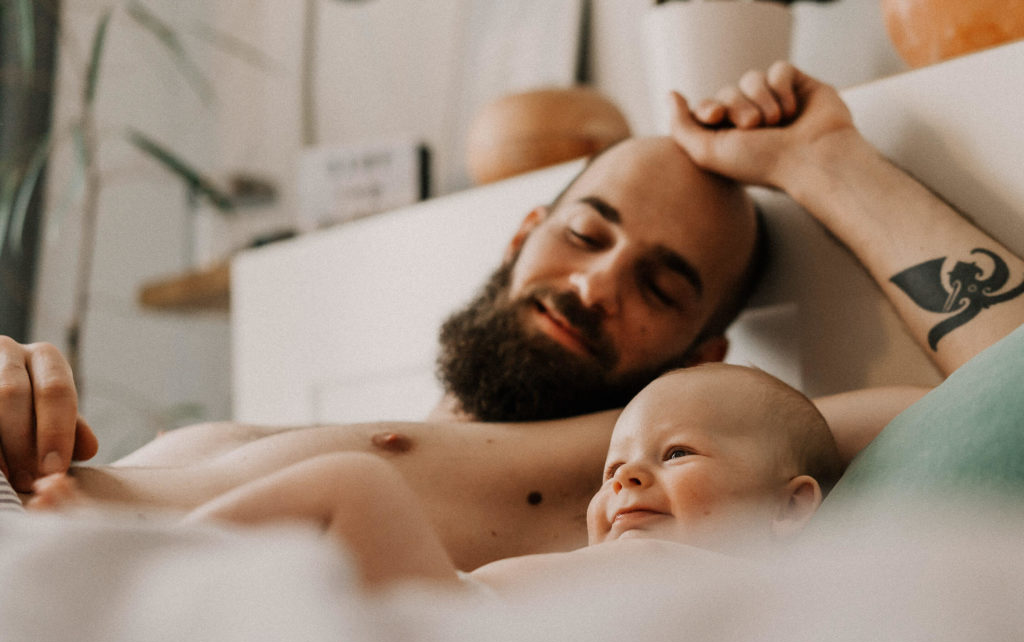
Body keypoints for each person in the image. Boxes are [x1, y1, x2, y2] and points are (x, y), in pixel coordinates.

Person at [2, 63, 1022, 570]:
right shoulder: (275, 421)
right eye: (586, 234)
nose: (593, 286)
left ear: (700, 350)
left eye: (661, 285)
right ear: (522, 232)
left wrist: (819, 161)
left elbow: (1008, 384)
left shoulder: (662, 472)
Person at [30, 363, 842, 594]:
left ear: (789, 504)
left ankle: (117, 568)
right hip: (441, 622)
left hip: (457, 627)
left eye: (677, 455)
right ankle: (126, 571)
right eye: (611, 468)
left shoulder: (759, 593)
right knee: (346, 494)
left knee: (353, 485)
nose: (625, 474)